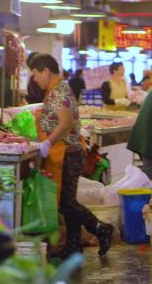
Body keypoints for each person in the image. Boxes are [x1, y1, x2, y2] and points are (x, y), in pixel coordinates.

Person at [29, 54, 114, 259]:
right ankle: (74, 246)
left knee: (66, 204)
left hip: (66, 153)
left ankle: (100, 228)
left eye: (35, 74)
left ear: (46, 71)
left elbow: (65, 122)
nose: (34, 79)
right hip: (65, 152)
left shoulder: (59, 90)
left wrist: (47, 143)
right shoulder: (57, 89)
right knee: (68, 202)